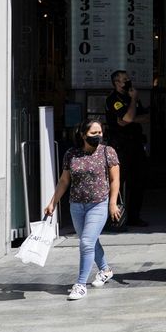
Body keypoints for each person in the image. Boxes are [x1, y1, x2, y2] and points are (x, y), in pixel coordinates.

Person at [44, 119, 121, 300]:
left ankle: (80, 284)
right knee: (90, 241)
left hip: (98, 203)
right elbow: (64, 181)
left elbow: (115, 180)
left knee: (86, 242)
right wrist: (52, 203)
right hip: (76, 205)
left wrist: (112, 203)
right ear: (83, 134)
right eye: (93, 133)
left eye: (100, 132)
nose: (98, 136)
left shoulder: (107, 152)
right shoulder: (72, 154)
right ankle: (105, 270)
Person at [105, 70, 149, 226]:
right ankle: (114, 217)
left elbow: (145, 117)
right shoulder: (113, 99)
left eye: (128, 78)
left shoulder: (132, 98)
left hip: (136, 144)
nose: (128, 81)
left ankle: (134, 216)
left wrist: (130, 118)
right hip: (120, 145)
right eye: (124, 80)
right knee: (117, 180)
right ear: (116, 82)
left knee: (139, 180)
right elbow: (127, 119)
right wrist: (133, 104)